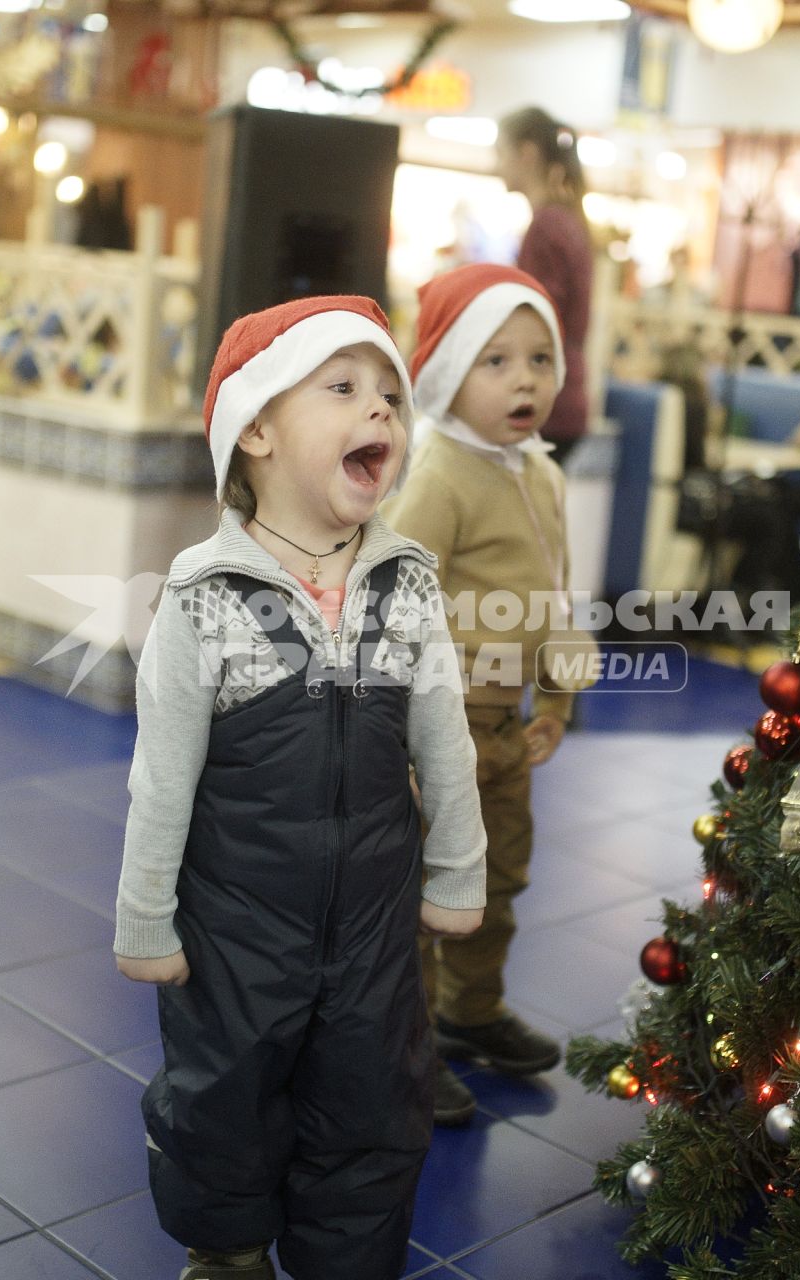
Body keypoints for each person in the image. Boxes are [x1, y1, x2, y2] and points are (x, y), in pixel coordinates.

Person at [114, 295, 487, 1280]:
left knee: (374, 1102)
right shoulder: (203, 596)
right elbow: (162, 775)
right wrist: (146, 913)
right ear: (259, 431)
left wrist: (457, 871)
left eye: (390, 396)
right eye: (343, 387)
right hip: (234, 929)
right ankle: (228, 1250)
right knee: (224, 1096)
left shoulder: (405, 582)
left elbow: (443, 738)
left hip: (373, 925)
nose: (380, 412)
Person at [382, 263, 596, 1127]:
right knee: (432, 889)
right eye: (496, 361)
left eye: (539, 359)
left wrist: (558, 701)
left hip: (508, 725)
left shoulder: (538, 472)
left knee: (498, 878)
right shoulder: (440, 475)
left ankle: (470, 1014)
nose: (525, 380)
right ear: (447, 375)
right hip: (441, 723)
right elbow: (391, 604)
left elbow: (553, 597)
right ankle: (407, 1048)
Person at [496, 106, 594, 467]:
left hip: (544, 403)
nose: (497, 166)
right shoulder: (565, 219)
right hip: (563, 397)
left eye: (501, 154)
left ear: (527, 154)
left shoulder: (547, 226)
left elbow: (537, 321)